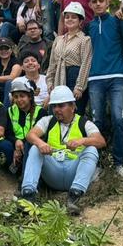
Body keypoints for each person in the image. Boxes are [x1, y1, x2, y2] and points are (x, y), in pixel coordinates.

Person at [20, 86, 106, 215]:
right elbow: (30, 135)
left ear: (73, 107)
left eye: (61, 106)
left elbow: (101, 141)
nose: (56, 110)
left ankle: (75, 196)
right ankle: (28, 195)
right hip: (53, 170)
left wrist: (82, 141)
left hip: (73, 171)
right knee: (35, 148)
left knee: (92, 149)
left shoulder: (84, 123)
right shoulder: (47, 120)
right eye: (54, 106)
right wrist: (41, 143)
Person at [85, 0, 123, 180]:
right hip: (95, 77)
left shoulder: (117, 21)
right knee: (96, 122)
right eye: (94, 1)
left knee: (118, 118)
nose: (98, 4)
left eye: (101, 0)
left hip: (117, 75)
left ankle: (119, 164)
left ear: (107, 2)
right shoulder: (88, 26)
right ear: (90, 5)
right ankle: (95, 164)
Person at [46, 2, 92, 115]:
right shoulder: (58, 40)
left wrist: (80, 87)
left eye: (74, 17)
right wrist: (49, 81)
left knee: (74, 113)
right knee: (55, 114)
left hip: (74, 77)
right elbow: (52, 63)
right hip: (58, 77)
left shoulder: (85, 40)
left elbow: (86, 64)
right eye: (67, 17)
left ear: (80, 21)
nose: (69, 19)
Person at [0, 78, 43, 177]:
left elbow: (40, 136)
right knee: (4, 144)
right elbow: (7, 133)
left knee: (30, 146)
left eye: (22, 96)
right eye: (16, 97)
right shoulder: (10, 111)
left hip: (30, 145)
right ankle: (14, 169)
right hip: (15, 145)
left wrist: (21, 144)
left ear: (30, 97)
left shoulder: (40, 112)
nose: (19, 100)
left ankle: (25, 174)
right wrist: (16, 142)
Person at [0, 37, 22, 105]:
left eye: (6, 48)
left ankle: (5, 109)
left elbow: (12, 77)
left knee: (9, 83)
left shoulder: (16, 61)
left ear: (11, 49)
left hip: (11, 90)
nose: (4, 51)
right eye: (1, 49)